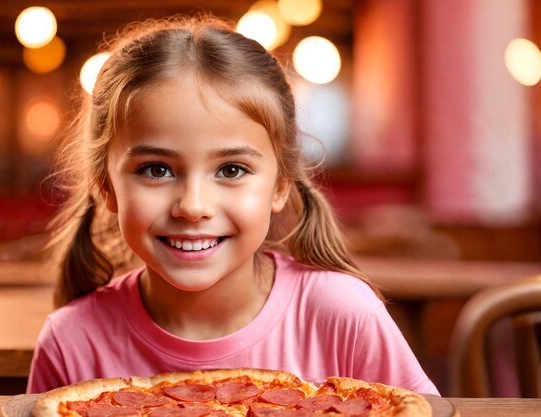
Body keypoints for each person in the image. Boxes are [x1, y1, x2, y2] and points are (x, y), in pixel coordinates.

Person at [27, 14, 439, 396]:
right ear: (106, 187)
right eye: (156, 170)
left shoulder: (343, 315)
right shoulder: (70, 342)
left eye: (230, 170)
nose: (193, 206)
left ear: (280, 185)